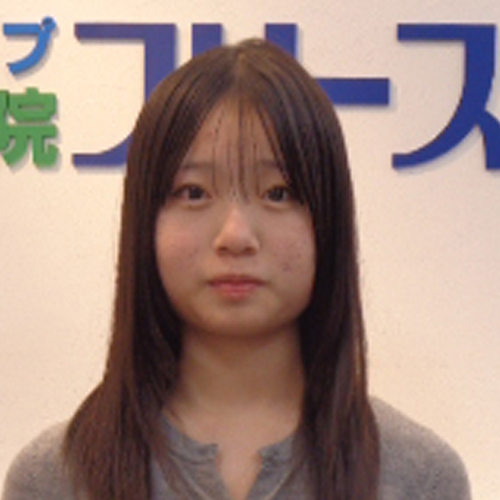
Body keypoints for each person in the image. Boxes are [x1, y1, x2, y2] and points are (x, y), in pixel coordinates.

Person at [2, 39, 470, 500]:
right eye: (194, 192)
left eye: (278, 193)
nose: (235, 235)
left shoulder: (419, 477)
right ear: (145, 221)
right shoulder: (54, 478)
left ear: (329, 220)